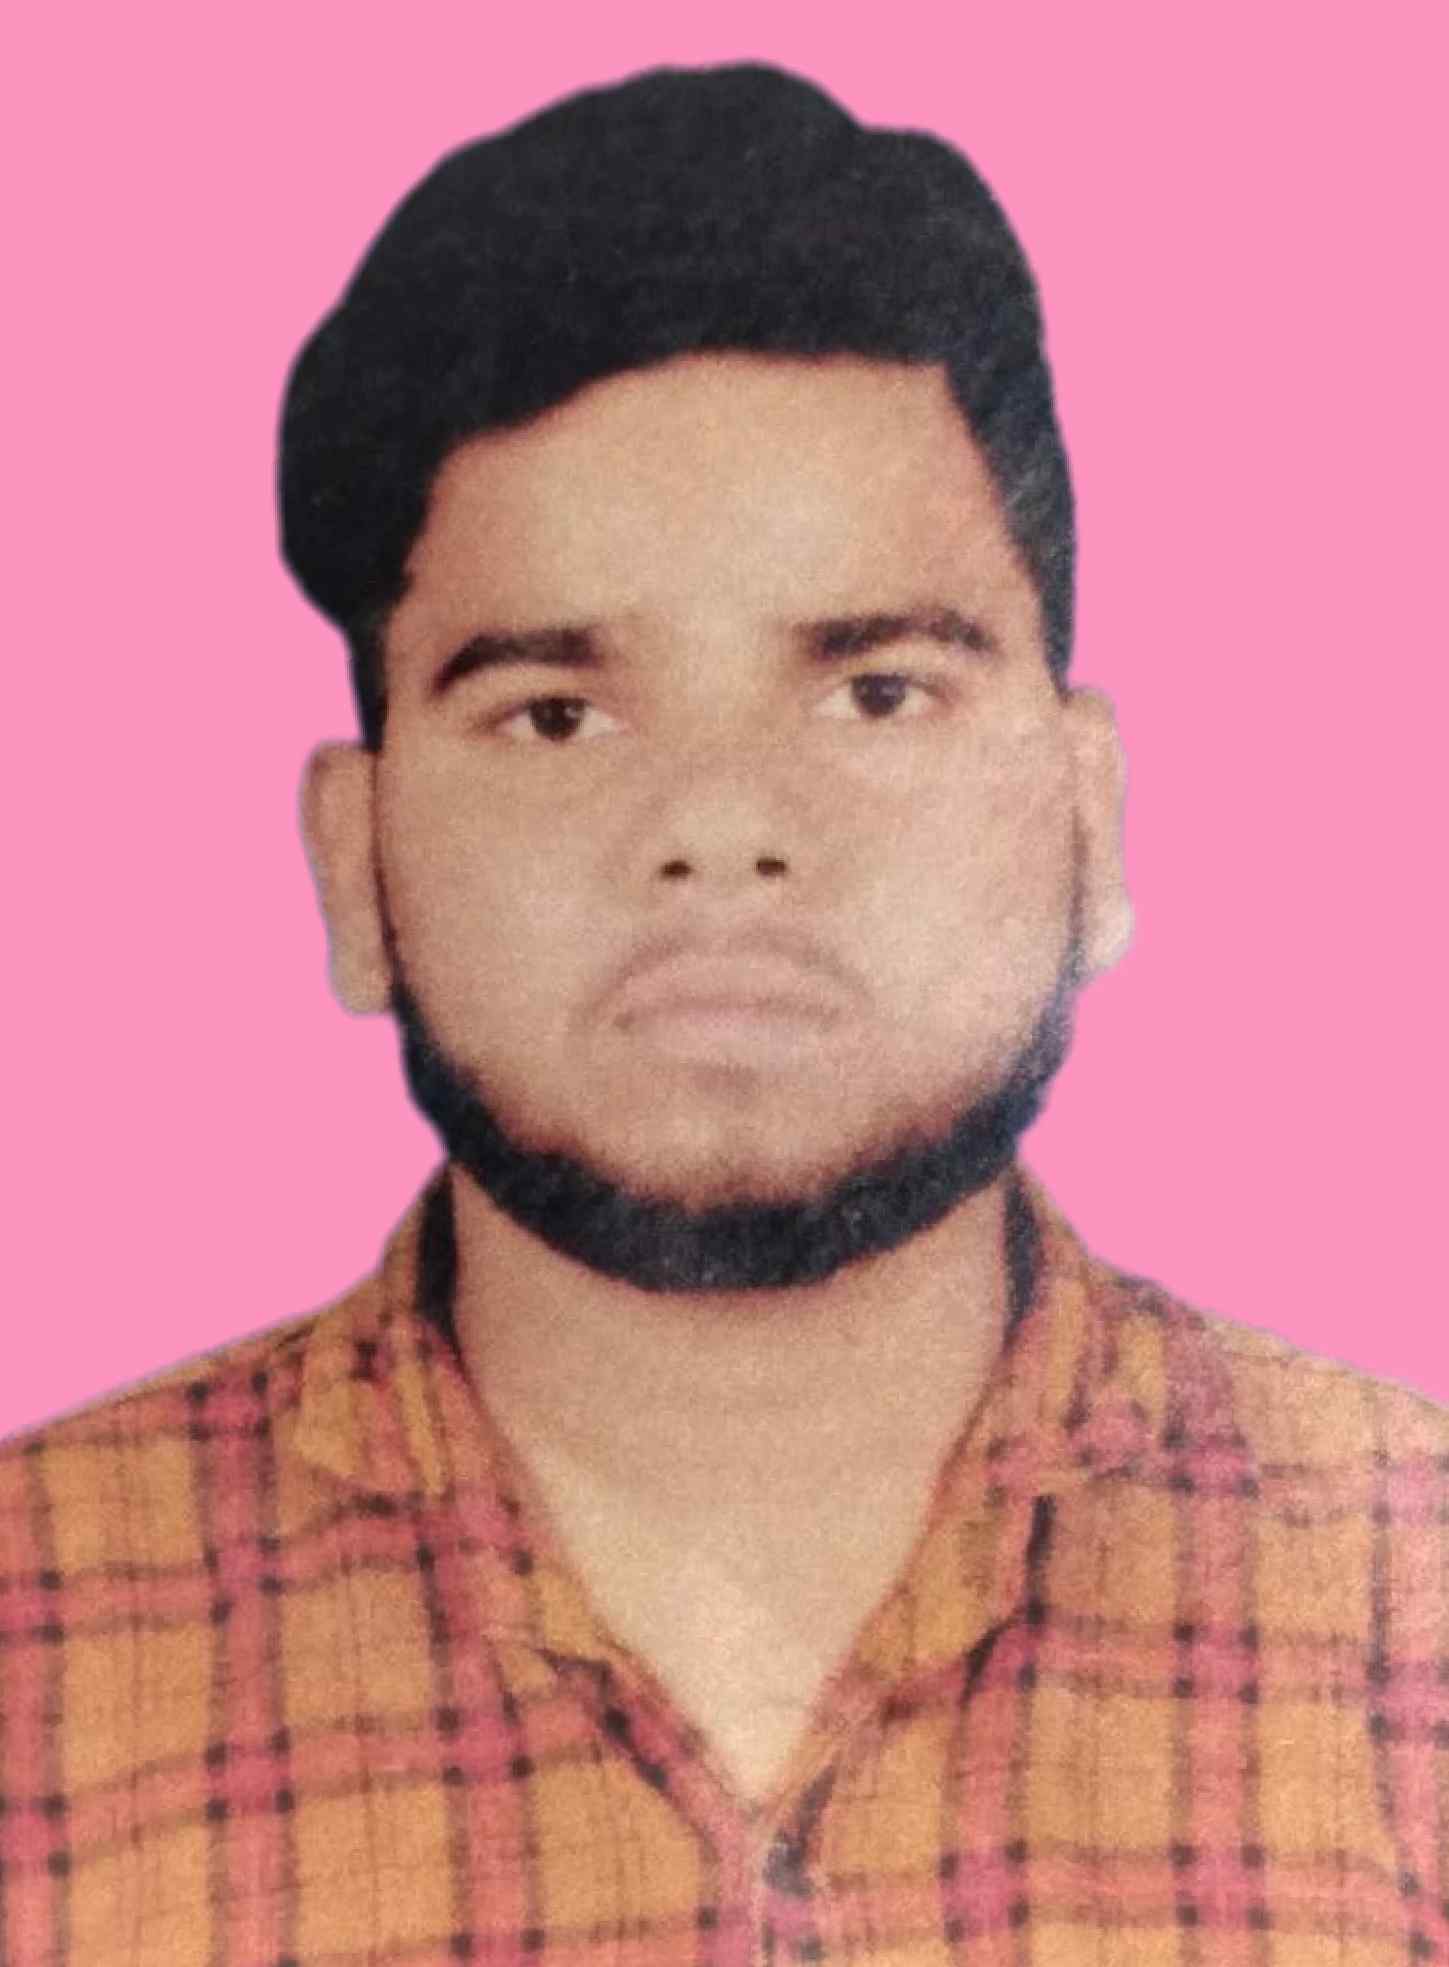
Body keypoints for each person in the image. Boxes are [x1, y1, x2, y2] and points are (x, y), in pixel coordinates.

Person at [2, 61, 1444, 1965]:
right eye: (556, 715)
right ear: (354, 867)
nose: (718, 827)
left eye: (874, 692)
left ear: (1090, 820)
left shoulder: (1412, 1607)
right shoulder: (31, 1644)